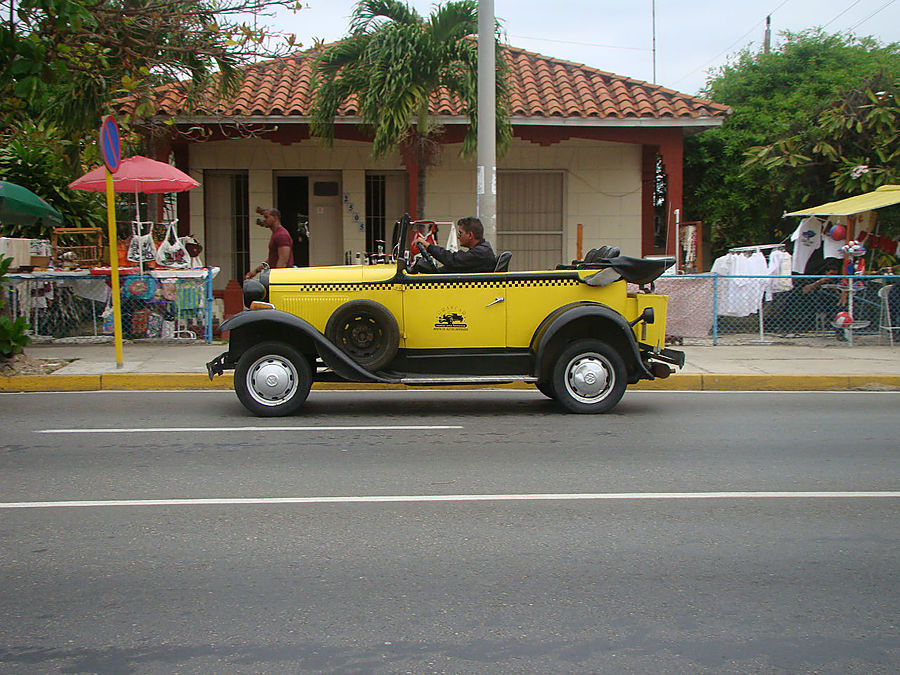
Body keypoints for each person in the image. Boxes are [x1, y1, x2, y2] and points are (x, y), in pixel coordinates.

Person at [411, 216, 496, 273]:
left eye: (460, 233)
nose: (458, 237)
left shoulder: (481, 253)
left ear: (470, 235)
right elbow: (453, 265)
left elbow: (453, 260)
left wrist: (428, 246)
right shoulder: (482, 251)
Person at [245, 208, 294, 279]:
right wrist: (255, 271)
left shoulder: (281, 234)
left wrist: (276, 278)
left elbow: (283, 260)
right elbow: (272, 259)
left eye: (266, 217)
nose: (264, 220)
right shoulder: (276, 234)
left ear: (275, 217)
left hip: (284, 278)